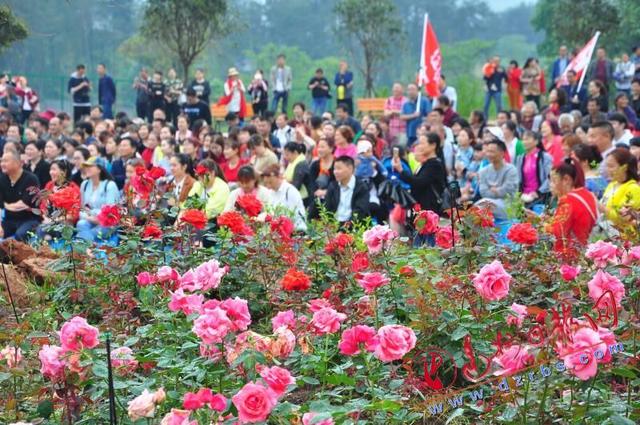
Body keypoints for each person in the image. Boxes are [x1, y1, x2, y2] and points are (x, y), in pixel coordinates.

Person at [545, 158, 597, 257]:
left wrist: (540, 224)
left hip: (568, 255)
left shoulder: (567, 200)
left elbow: (558, 232)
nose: (550, 185)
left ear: (566, 180)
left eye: (553, 180)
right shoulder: (587, 194)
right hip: (583, 250)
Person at [0, 150, 42, 241]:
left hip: (30, 219)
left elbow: (22, 205)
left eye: (5, 161)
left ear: (18, 163)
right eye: (1, 161)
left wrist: (5, 205)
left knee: (20, 235)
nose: (2, 164)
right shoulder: (2, 179)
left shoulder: (31, 179)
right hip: (9, 219)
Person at [76, 157, 120, 242]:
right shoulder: (84, 184)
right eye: (86, 166)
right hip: (89, 219)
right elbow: (82, 208)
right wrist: (90, 218)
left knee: (91, 233)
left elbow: (111, 213)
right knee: (80, 224)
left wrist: (95, 217)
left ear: (99, 169)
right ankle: (85, 243)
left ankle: (82, 243)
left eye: (90, 166)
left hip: (106, 223)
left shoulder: (110, 185)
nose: (87, 169)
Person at [600, 148, 640, 239]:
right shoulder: (612, 185)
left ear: (624, 167)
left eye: (611, 166)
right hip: (607, 233)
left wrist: (603, 209)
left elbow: (626, 218)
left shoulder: (633, 188)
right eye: (607, 166)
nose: (608, 170)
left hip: (626, 238)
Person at [476, 139, 519, 220]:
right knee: (481, 205)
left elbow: (507, 192)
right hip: (488, 204)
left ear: (502, 153)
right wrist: (498, 191)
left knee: (483, 204)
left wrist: (494, 191)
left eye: (492, 152)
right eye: (487, 151)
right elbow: (483, 192)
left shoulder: (511, 170)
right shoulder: (483, 171)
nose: (489, 154)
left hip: (508, 206)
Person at [324, 155, 369, 224]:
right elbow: (327, 209)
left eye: (339, 169)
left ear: (350, 168)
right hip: (334, 225)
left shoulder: (361, 187)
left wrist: (345, 229)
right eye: (334, 169)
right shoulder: (333, 186)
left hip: (354, 226)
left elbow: (360, 212)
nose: (335, 172)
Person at [261, 164, 307, 231]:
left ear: (278, 177)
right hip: (280, 230)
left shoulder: (290, 191)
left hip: (296, 230)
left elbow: (291, 216)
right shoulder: (271, 192)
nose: (268, 186)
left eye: (270, 182)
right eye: (266, 183)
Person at [514, 130, 552, 207]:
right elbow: (518, 179)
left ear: (536, 141)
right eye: (523, 139)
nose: (524, 142)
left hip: (540, 196)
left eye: (527, 139)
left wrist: (538, 192)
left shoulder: (544, 157)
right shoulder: (520, 158)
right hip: (524, 197)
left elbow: (550, 177)